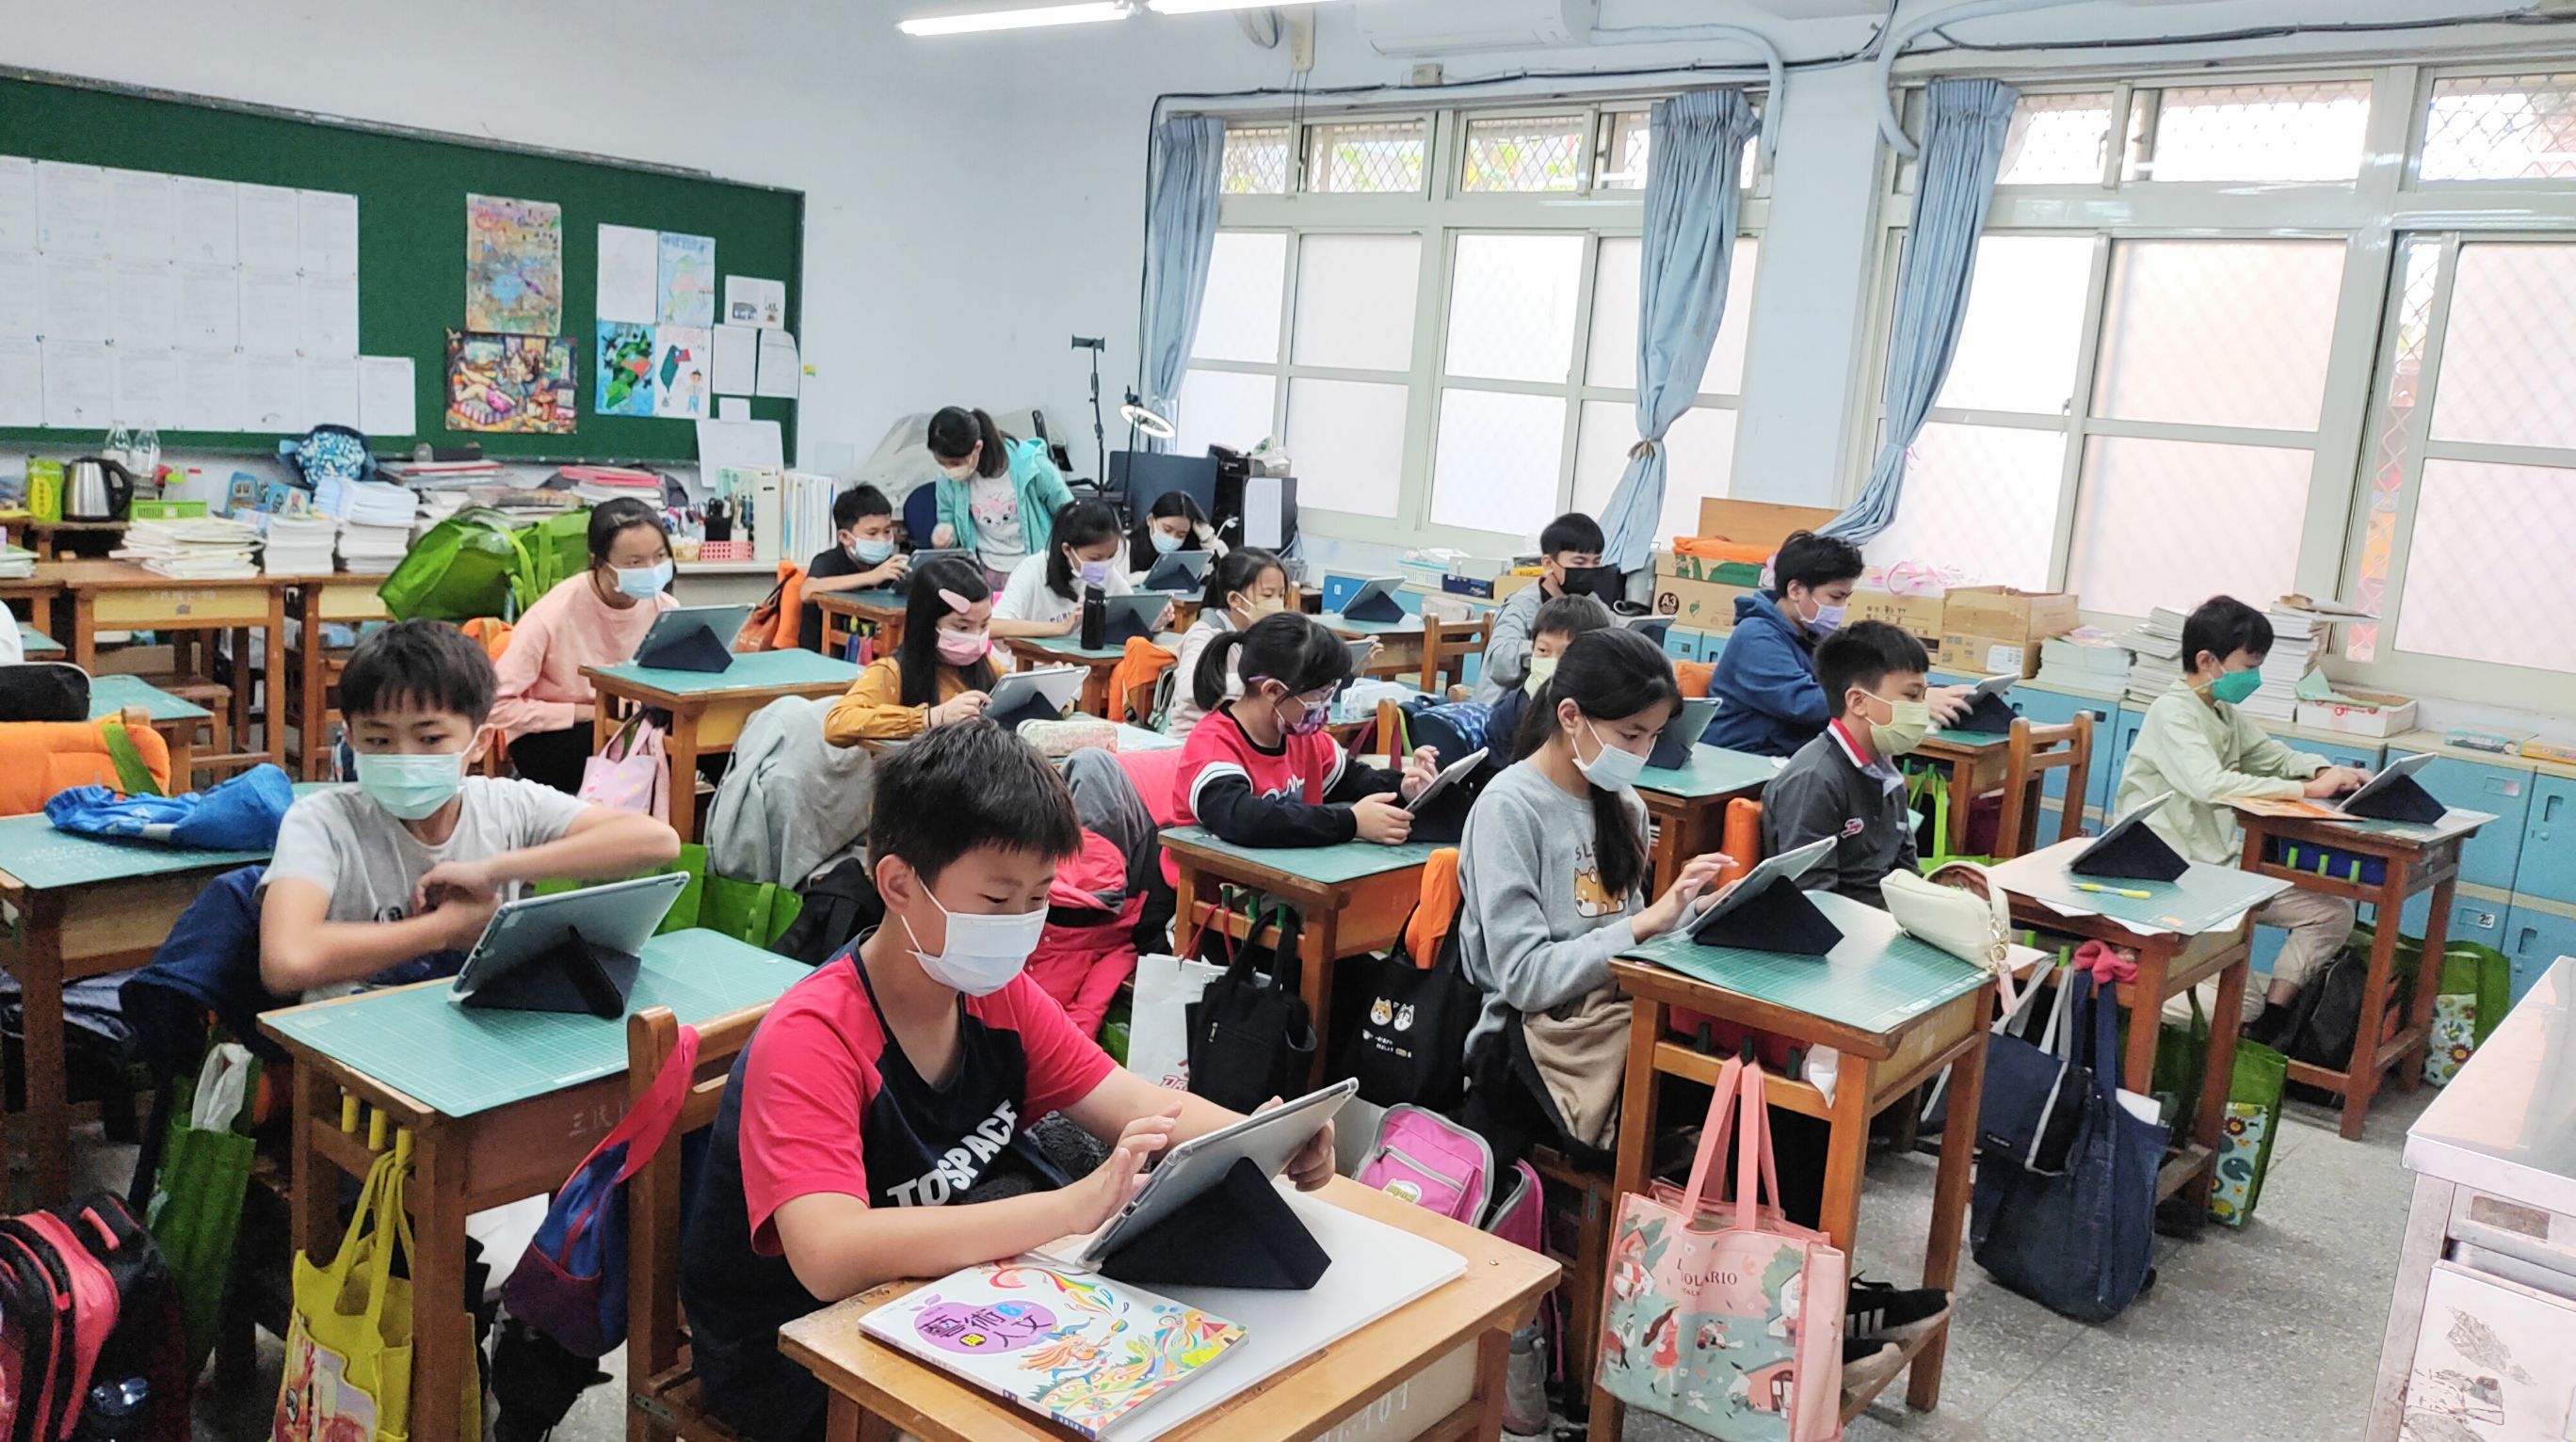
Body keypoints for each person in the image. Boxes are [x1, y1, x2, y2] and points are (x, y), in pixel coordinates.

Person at [680, 720, 1339, 1442]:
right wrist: (1070, 1208)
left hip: (945, 1304)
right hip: (798, 1360)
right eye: (997, 902)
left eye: (1038, 898)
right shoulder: (814, 1038)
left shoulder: (996, 996)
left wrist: (1274, 1136)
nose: (1022, 925)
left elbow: (1135, 1106)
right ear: (898, 884)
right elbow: (830, 1256)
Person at [257, 620, 682, 1000]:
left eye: (430, 739)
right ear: (351, 740)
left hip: (474, 1028)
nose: (404, 758)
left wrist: (493, 870)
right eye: (379, 741)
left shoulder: (507, 805)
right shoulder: (322, 821)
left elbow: (656, 842)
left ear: (480, 742)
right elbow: (286, 963)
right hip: (350, 1038)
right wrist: (443, 931)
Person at [1457, 628, 1727, 1158]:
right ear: (1571, 716)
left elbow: (1623, 934)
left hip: (1607, 1015)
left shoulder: (1624, 804)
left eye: (1654, 737)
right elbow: (1524, 979)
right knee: (1720, 1096)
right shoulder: (1509, 808)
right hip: (1528, 1042)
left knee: (1738, 1074)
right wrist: (1646, 924)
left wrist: (1693, 910)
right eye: (1631, 735)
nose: (1642, 753)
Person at [2117, 595, 2368, 1024]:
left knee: (2332, 914)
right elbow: (2210, 785)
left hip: (2217, 870)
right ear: (2207, 661)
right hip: (2171, 873)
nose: (2255, 677)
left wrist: (2326, 770)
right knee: (2240, 1004)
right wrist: (2307, 789)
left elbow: (2273, 756)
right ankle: (2116, 996)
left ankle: (2273, 1021)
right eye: (2250, 666)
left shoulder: (2221, 712)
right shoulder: (2172, 713)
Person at [1171, 611, 1439, 847]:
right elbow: (1245, 820)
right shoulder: (1214, 744)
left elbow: (1354, 779)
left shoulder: (1301, 738)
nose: (1324, 705)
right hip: (1214, 883)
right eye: (1319, 694)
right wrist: (1351, 822)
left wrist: (1404, 787)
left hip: (1282, 878)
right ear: (1272, 690)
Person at [1705, 530, 1968, 758]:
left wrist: (1921, 690)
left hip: (1796, 754)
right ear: (1795, 590)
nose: (1841, 607)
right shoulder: (1756, 636)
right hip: (1746, 760)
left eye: (1846, 598)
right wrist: (1910, 703)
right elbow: (1806, 703)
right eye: (1835, 596)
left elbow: (1873, 675)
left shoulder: (1815, 634)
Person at [488, 499, 679, 793]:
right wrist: (585, 713)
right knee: (622, 742)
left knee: (705, 740)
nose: (651, 569)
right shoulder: (551, 615)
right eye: (634, 562)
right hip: (553, 735)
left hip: (631, 725)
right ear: (598, 561)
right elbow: (495, 706)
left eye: (659, 556)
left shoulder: (666, 609)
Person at [1761, 621, 1931, 905]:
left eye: (1924, 697)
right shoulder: (1815, 779)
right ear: (1858, 701)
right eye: (1912, 696)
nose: (1922, 709)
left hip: (1887, 917)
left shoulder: (1885, 772)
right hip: (1846, 925)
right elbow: (1813, 900)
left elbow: (1907, 873)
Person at [823, 554, 1003, 745]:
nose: (976, 636)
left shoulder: (987, 668)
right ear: (927, 623)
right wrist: (927, 718)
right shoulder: (892, 671)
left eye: (984, 625)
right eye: (962, 627)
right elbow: (836, 723)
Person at [1472, 592, 1618, 793]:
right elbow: (1492, 777)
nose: (1553, 661)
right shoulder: (1514, 709)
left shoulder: (1602, 710)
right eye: (1542, 651)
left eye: (1565, 653)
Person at [1476, 512, 1618, 704]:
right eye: (1579, 562)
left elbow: (1618, 635)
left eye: (1596, 562)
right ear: (1549, 564)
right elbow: (1500, 660)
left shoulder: (1590, 602)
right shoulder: (1522, 605)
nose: (1589, 570)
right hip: (1511, 707)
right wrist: (1549, 650)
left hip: (1563, 701)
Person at [926, 406, 1073, 586]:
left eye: (955, 463)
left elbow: (1068, 512)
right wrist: (945, 535)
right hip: (983, 571)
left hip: (1033, 570)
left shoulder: (1031, 466)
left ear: (977, 447)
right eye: (941, 463)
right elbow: (949, 519)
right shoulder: (947, 479)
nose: (948, 469)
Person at [990, 499, 1168, 640]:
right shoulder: (1033, 570)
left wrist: (1153, 621)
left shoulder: (1106, 573)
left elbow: (1130, 613)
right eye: (1095, 558)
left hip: (1080, 666)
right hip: (1032, 666)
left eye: (1111, 556)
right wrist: (1061, 628)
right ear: (1067, 549)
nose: (1105, 564)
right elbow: (994, 626)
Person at [1162, 547, 1287, 741]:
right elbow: (1189, 688)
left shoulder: (1262, 634)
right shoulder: (1204, 633)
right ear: (1235, 599)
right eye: (1268, 595)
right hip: (1192, 741)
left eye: (1281, 595)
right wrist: (1257, 686)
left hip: (1238, 738)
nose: (1277, 604)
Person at [797, 485, 910, 654]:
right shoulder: (828, 561)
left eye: (887, 531)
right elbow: (807, 591)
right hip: (826, 657)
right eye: (872, 533)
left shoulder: (887, 564)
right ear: (844, 537)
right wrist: (871, 576)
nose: (882, 539)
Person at [1129, 489, 1227, 576]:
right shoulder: (1127, 548)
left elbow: (1224, 574)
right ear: (1150, 520)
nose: (1172, 538)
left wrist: (1207, 539)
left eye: (1181, 535)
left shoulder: (1190, 553)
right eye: (1167, 529)